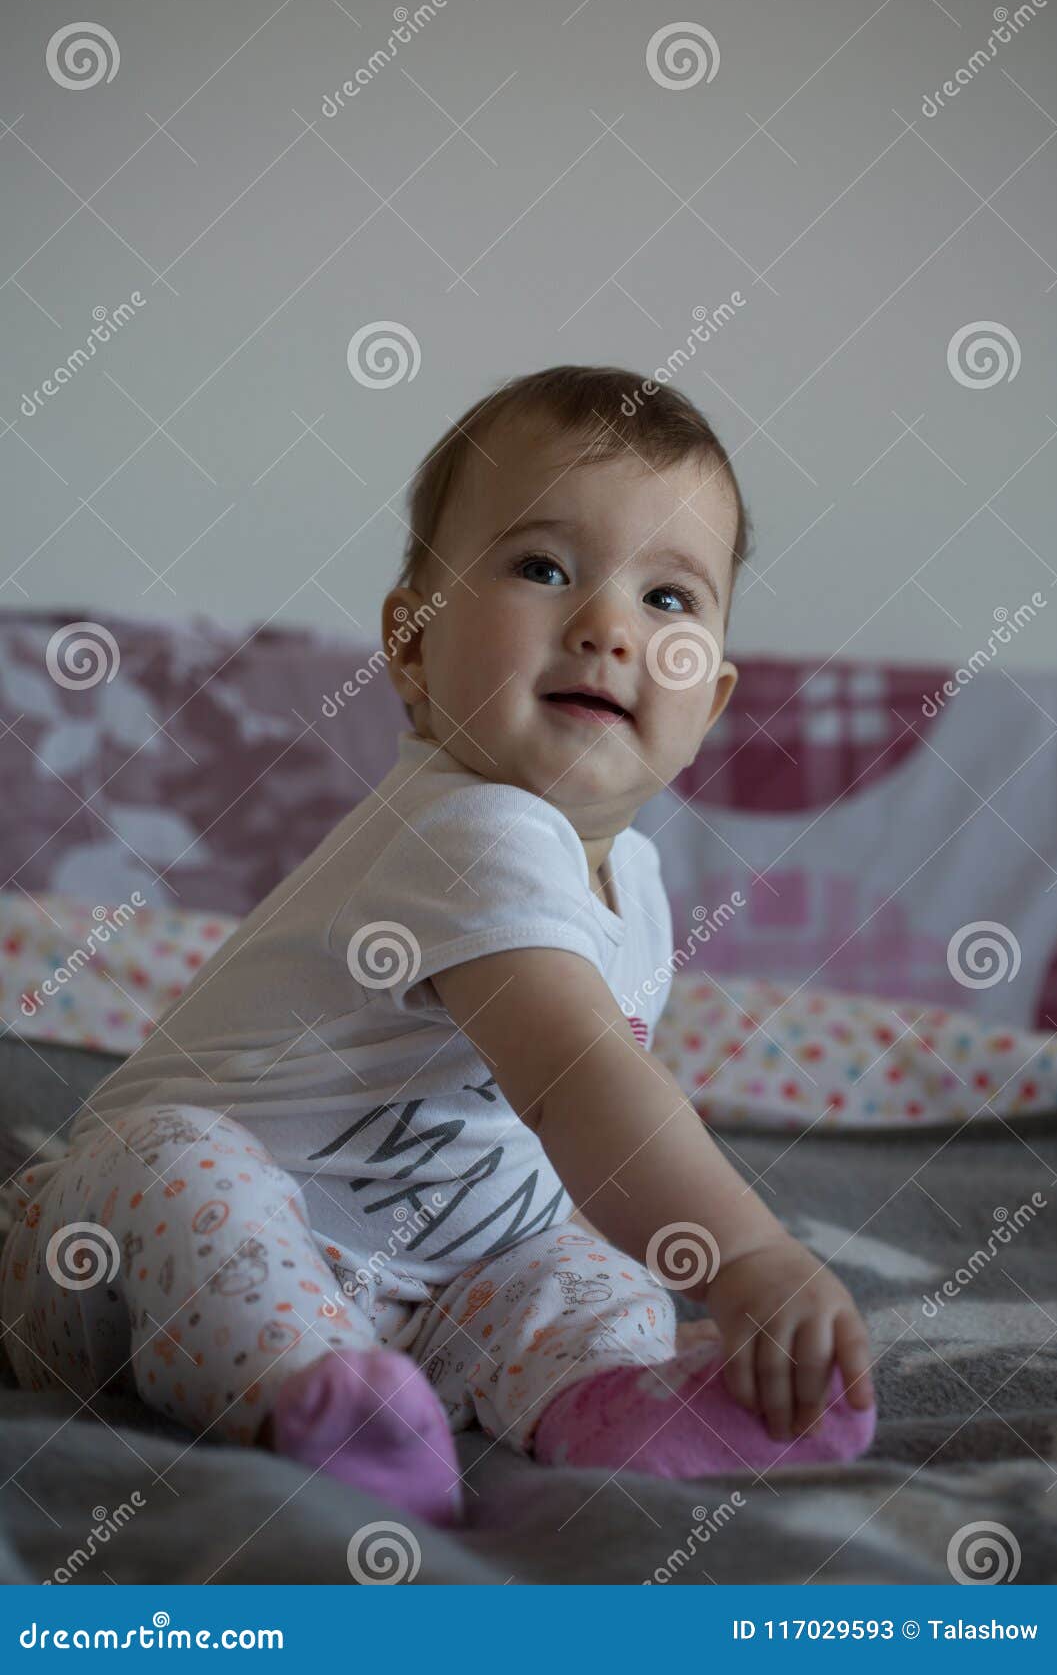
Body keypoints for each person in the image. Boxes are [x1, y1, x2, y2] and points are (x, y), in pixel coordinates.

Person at [0, 366, 875, 1529]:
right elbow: (577, 1082)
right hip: (114, 1266)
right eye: (542, 568)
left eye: (667, 598)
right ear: (410, 648)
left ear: (707, 703)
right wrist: (746, 1255)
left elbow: (557, 1141)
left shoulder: (642, 886)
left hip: (422, 1293)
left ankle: (600, 1399)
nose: (607, 626)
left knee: (584, 1257)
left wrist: (619, 1260)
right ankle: (307, 1393)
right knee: (178, 1160)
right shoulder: (470, 824)